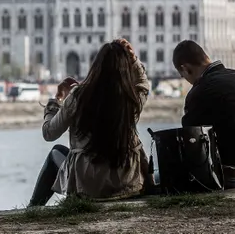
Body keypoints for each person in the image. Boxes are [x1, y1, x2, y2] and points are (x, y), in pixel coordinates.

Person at [28, 39, 150, 206]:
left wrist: (57, 100)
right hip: (127, 184)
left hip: (88, 187)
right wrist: (133, 58)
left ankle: (33, 208)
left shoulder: (78, 97)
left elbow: (49, 133)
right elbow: (143, 83)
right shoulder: (131, 99)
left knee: (56, 151)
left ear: (96, 66)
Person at [172, 40, 235, 189]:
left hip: (229, 176)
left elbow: (191, 141)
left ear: (186, 69)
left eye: (183, 76)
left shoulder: (201, 91)